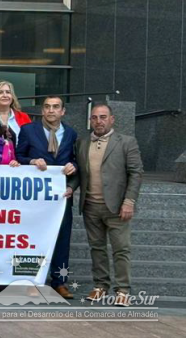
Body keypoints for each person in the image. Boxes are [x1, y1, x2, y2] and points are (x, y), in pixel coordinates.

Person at [77, 103, 144, 307]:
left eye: (103, 117)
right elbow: (79, 173)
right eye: (95, 117)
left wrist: (129, 201)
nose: (99, 121)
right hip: (90, 205)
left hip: (117, 206)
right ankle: (100, 286)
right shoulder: (82, 141)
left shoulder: (126, 142)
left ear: (112, 119)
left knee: (121, 249)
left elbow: (136, 173)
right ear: (90, 121)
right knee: (97, 248)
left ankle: (123, 290)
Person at [16, 95, 79, 299]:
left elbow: (77, 163)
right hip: (34, 198)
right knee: (31, 238)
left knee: (61, 240)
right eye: (47, 107)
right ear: (42, 111)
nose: (51, 110)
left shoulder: (70, 133)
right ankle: (31, 280)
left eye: (55, 107)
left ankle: (60, 282)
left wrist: (73, 172)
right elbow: (18, 157)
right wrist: (32, 160)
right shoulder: (28, 130)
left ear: (63, 111)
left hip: (61, 197)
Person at [0, 80, 32, 144]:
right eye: (0, 92)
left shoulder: (23, 116)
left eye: (8, 92)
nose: (5, 95)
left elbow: (31, 140)